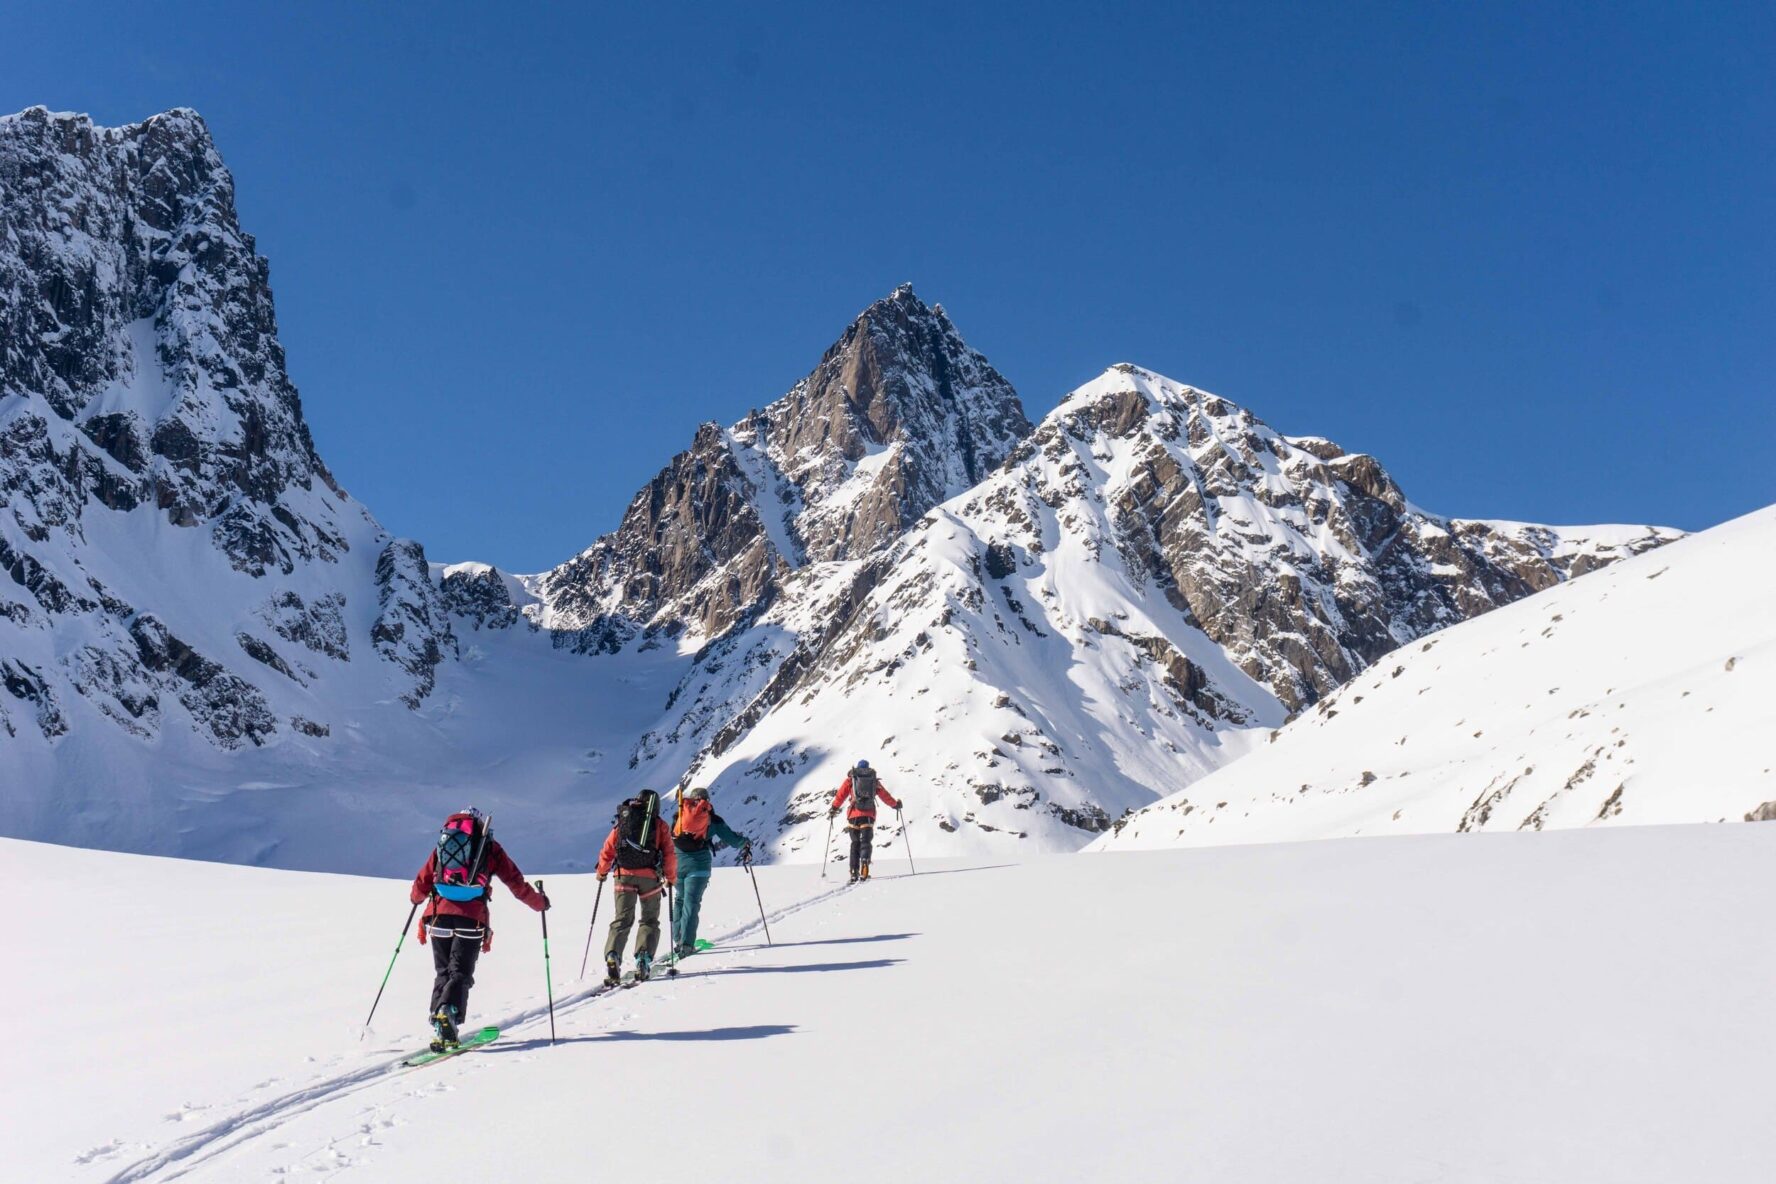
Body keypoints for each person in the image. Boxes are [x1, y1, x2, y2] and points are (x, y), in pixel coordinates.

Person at [409, 807, 549, 1050]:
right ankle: (447, 1012)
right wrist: (539, 903)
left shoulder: (444, 844)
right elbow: (515, 882)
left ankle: (441, 1021)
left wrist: (415, 899)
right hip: (471, 919)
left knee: (443, 971)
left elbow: (423, 880)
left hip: (437, 917)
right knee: (460, 972)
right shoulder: (489, 847)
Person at [595, 789, 678, 985]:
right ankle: (643, 959)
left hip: (623, 876)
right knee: (649, 920)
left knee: (622, 919)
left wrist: (602, 872)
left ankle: (613, 954)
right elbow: (669, 855)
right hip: (650, 878)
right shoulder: (659, 825)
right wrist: (671, 878)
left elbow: (608, 849)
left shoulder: (624, 822)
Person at [670, 786, 753, 958]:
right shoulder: (711, 819)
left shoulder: (679, 815)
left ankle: (678, 939)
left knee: (680, 899)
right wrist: (745, 843)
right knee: (691, 903)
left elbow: (671, 840)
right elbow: (732, 839)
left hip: (677, 864)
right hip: (699, 866)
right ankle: (686, 944)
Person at [829, 759, 901, 883]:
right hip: (868, 815)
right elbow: (885, 796)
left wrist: (834, 808)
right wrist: (895, 805)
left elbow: (841, 795)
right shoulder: (873, 781)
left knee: (855, 843)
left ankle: (853, 871)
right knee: (866, 841)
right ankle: (864, 865)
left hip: (853, 815)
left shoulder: (851, 780)